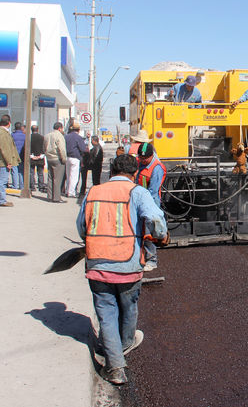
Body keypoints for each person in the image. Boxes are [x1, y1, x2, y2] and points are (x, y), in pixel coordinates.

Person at [76, 154, 168, 385]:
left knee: (106, 314)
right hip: (128, 264)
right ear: (134, 173)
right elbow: (156, 221)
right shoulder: (138, 192)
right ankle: (125, 343)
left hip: (98, 264)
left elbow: (81, 227)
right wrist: (160, 236)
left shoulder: (93, 192)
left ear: (112, 171)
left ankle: (115, 367)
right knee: (129, 308)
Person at [136, 142, 167, 271]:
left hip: (150, 203)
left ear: (151, 156)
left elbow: (153, 191)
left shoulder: (157, 168)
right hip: (138, 201)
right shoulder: (139, 164)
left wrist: (144, 205)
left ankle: (152, 260)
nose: (142, 160)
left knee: (149, 232)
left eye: (145, 158)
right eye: (140, 158)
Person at [44, 122, 67, 203]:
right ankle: (57, 197)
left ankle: (50, 196)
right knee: (57, 179)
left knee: (50, 177)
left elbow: (44, 147)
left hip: (49, 158)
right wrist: (64, 159)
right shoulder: (59, 136)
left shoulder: (47, 136)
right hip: (57, 158)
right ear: (60, 128)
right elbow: (62, 149)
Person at [0, 115, 20, 207]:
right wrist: (8, 162)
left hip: (2, 161)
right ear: (9, 123)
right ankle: (2, 200)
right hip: (3, 162)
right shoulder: (3, 133)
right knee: (2, 182)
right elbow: (5, 149)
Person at [64, 121, 88, 197]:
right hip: (75, 158)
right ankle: (71, 192)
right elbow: (83, 149)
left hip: (67, 157)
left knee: (68, 175)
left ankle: (67, 191)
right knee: (74, 176)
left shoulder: (66, 137)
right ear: (78, 130)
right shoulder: (78, 138)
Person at [25, 125, 46, 192]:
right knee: (40, 173)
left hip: (32, 157)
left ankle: (32, 186)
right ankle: (41, 186)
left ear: (31, 130)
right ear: (37, 129)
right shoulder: (42, 137)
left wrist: (31, 155)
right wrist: (41, 155)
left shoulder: (29, 138)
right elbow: (44, 147)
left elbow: (26, 147)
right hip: (40, 157)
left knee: (31, 173)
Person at [10, 122, 25, 189]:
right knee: (21, 171)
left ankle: (15, 185)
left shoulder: (12, 135)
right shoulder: (24, 136)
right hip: (22, 155)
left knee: (14, 171)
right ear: (21, 128)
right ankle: (21, 186)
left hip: (13, 155)